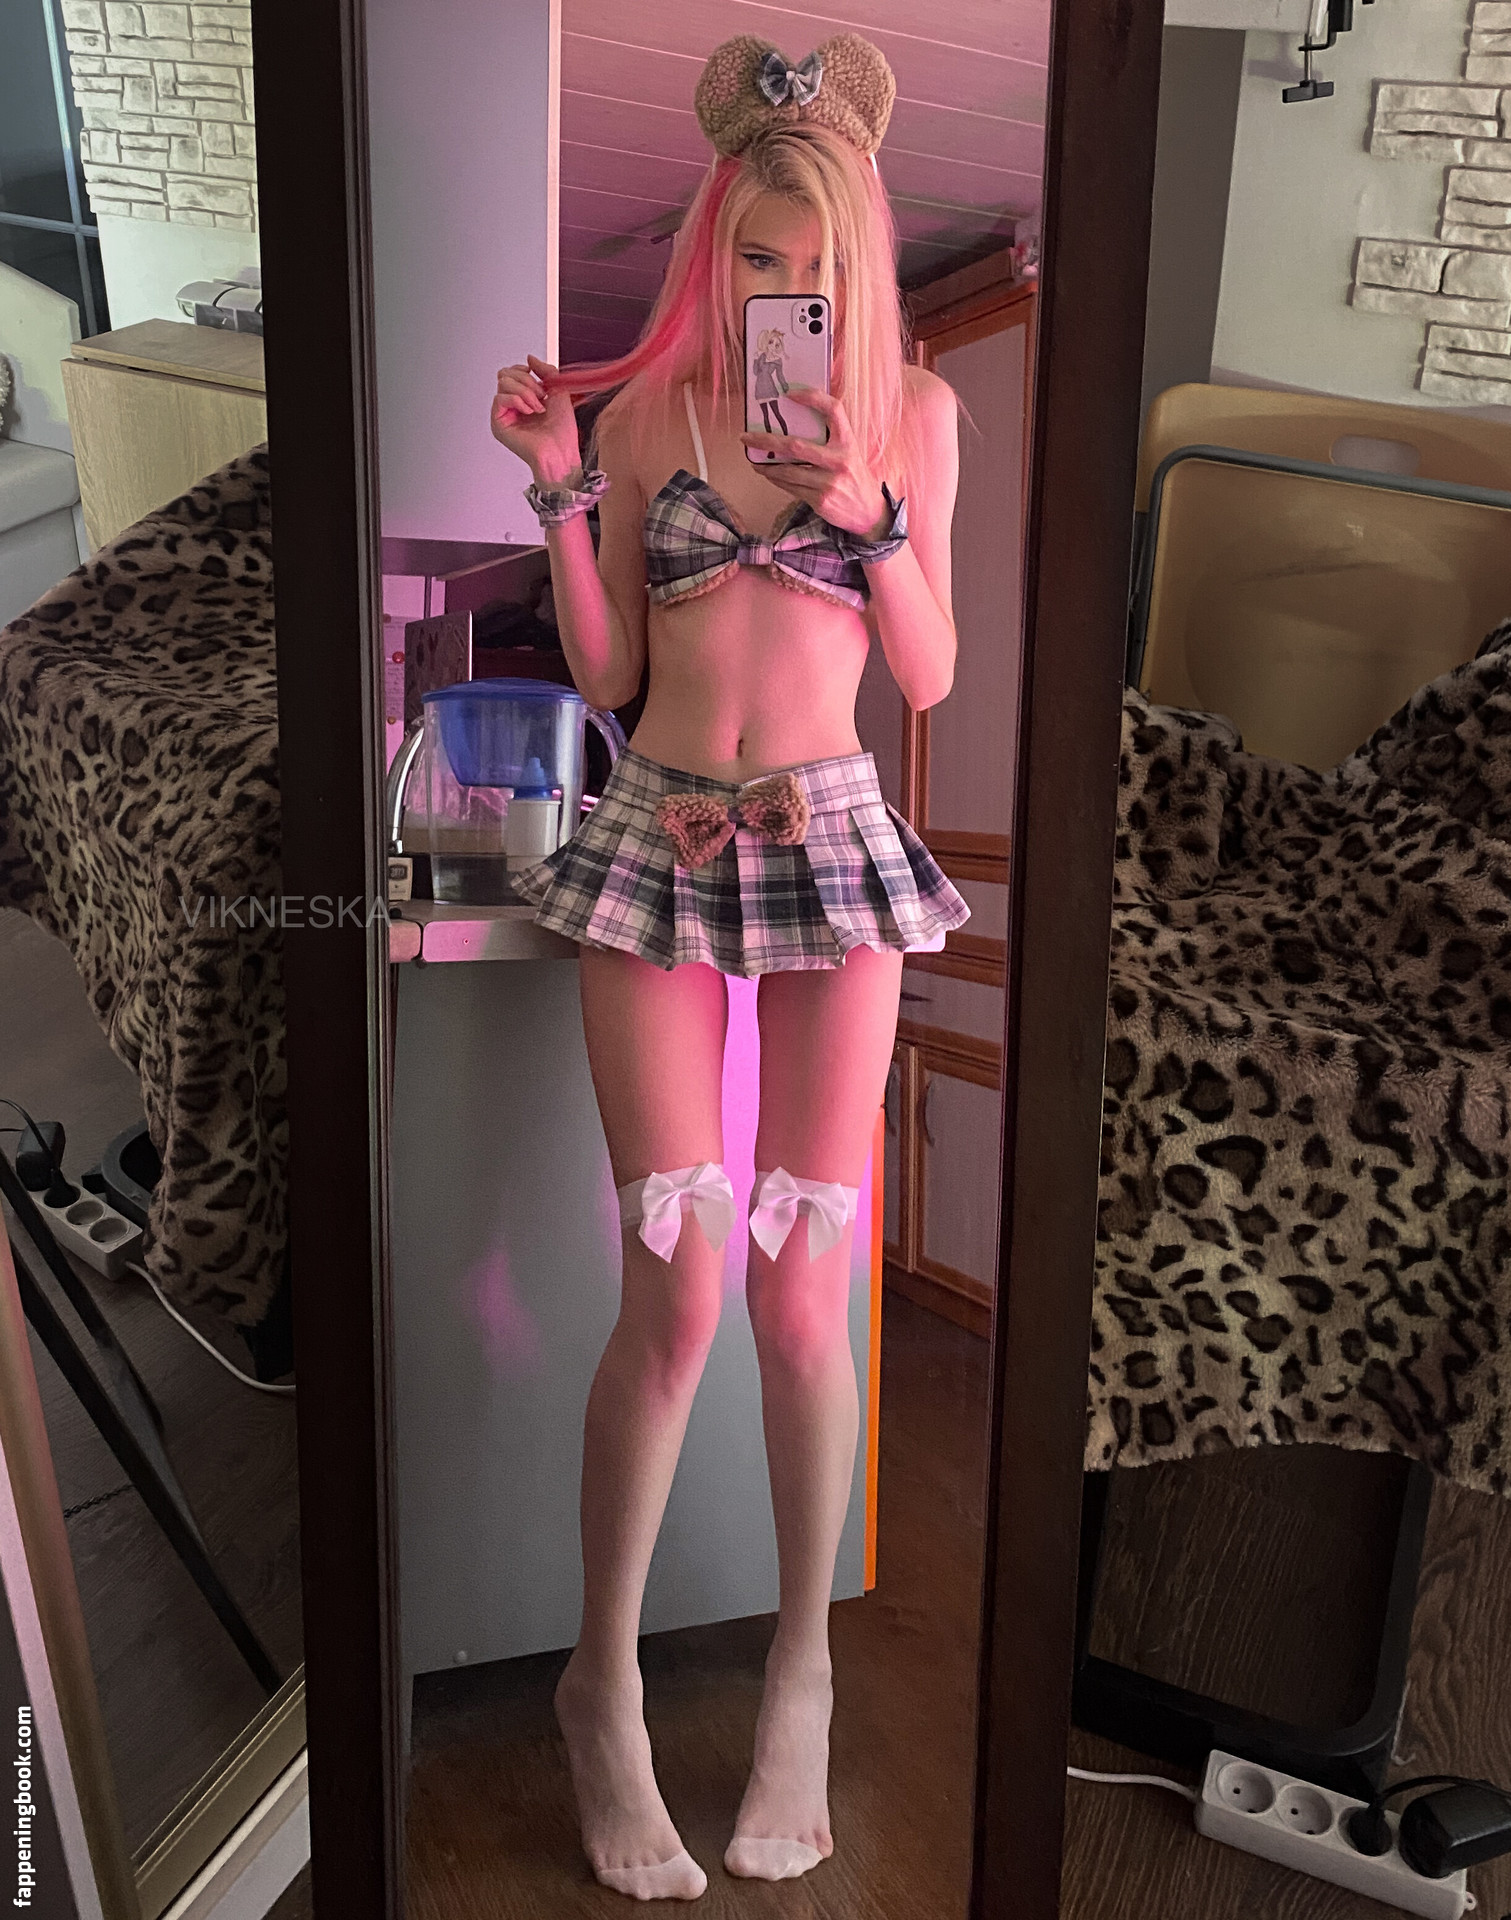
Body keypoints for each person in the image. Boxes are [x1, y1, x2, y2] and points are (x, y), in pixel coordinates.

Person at [489, 29, 967, 1904]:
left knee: (801, 1298)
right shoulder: (648, 421)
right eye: (759, 258)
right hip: (662, 843)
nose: (788, 290)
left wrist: (870, 516)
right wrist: (555, 483)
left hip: (833, 848)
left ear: (863, 253)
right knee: (678, 1295)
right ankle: (596, 1687)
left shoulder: (914, 415)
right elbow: (611, 674)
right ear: (716, 250)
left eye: (817, 261)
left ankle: (802, 1676)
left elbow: (926, 671)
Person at [753, 325, 790, 433]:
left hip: (770, 388)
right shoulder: (761, 357)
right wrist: (755, 360)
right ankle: (770, 438)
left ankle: (786, 435)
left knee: (777, 413)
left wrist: (785, 387)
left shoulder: (777, 360)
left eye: (777, 344)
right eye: (770, 342)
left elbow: (780, 375)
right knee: (765, 415)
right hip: (760, 388)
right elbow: (755, 372)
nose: (773, 346)